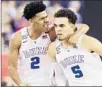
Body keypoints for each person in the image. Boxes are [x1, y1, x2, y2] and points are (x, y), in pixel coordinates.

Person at [8, 1, 89, 86]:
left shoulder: (51, 32)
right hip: (26, 83)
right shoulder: (17, 37)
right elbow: (11, 67)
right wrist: (20, 84)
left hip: (46, 83)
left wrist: (75, 36)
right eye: (42, 19)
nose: (46, 20)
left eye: (46, 17)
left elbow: (83, 27)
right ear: (31, 20)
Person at [48, 8, 102, 86]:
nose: (58, 29)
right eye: (56, 26)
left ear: (72, 26)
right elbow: (59, 74)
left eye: (62, 26)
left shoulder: (86, 41)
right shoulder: (53, 48)